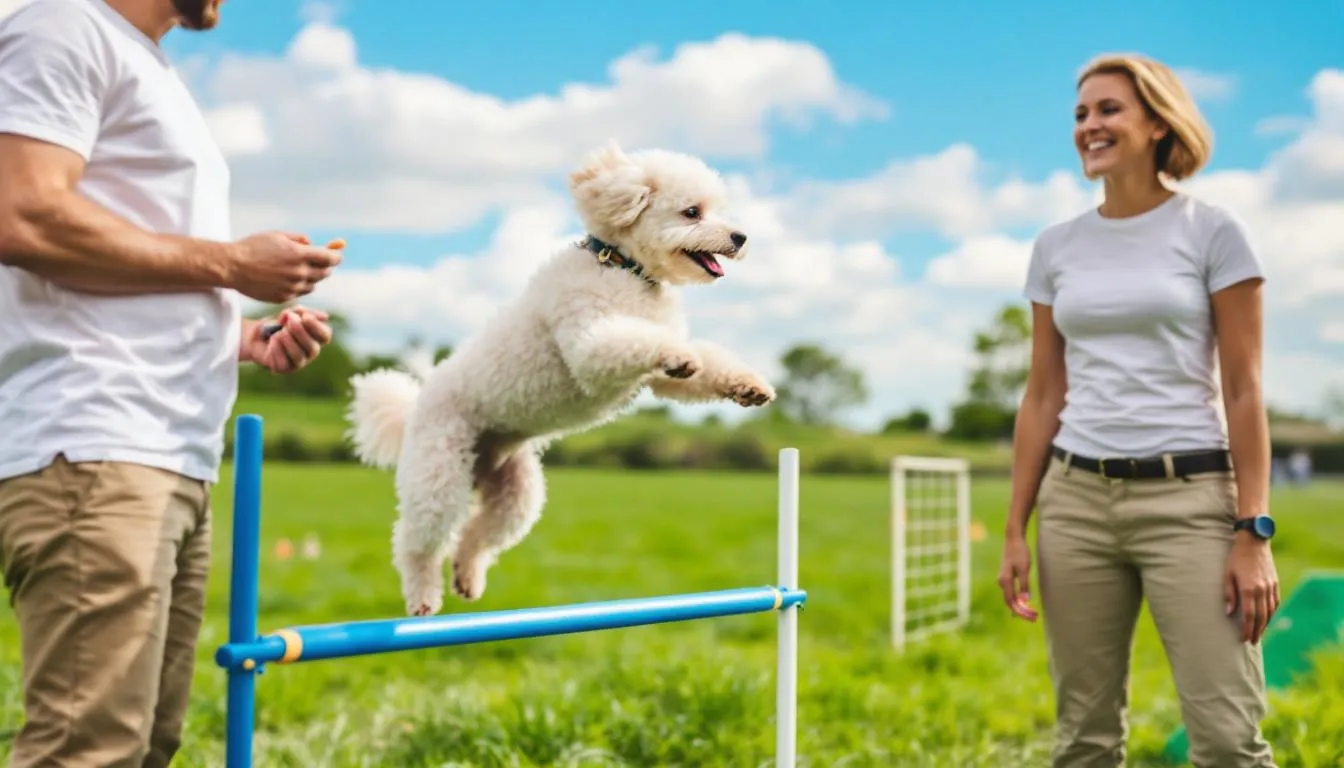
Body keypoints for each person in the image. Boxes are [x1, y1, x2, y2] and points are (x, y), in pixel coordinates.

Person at [0, 0, 345, 765]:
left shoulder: (149, 66)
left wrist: (240, 337)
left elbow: (115, 256)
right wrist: (231, 264)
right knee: (87, 750)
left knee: (146, 745)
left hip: (171, 456)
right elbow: (23, 217)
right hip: (95, 443)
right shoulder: (61, 26)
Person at [997, 53, 1280, 767]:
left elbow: (1244, 389)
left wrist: (1254, 531)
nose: (1089, 125)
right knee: (1084, 740)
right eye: (1080, 114)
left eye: (1108, 110)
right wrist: (1014, 528)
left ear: (1158, 122)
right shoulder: (1056, 246)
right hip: (1075, 501)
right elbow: (1042, 393)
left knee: (1226, 740)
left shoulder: (1214, 232)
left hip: (1190, 502)